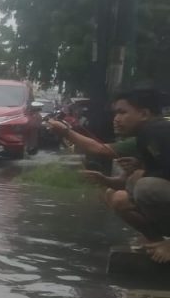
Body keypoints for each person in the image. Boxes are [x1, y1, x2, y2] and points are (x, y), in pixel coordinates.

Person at [73, 90, 170, 258]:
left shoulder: (158, 131)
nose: (116, 119)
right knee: (121, 194)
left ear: (144, 114)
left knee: (146, 186)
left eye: (122, 112)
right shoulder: (144, 136)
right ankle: (156, 241)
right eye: (115, 113)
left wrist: (65, 132)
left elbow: (98, 149)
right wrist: (138, 169)